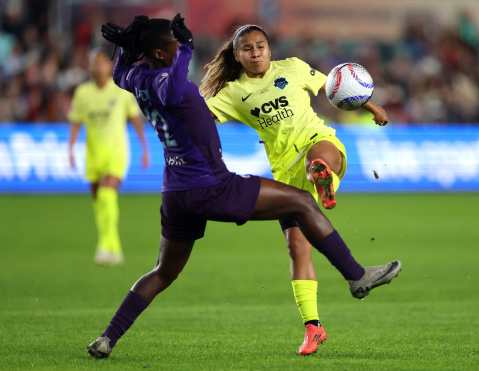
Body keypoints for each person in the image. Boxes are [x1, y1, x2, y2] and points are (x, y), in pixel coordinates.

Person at [87, 15, 401, 359]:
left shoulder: (136, 78)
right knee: (300, 203)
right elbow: (175, 87)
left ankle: (107, 338)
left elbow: (121, 72)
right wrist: (188, 47)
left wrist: (123, 47)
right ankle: (356, 276)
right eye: (174, 47)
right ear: (163, 55)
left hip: (175, 191)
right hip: (210, 185)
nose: (180, 50)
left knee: (164, 271)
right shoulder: (172, 84)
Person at [200, 24, 390, 355]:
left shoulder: (294, 68)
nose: (256, 52)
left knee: (320, 155)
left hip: (317, 141)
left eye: (260, 46)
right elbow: (199, 119)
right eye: (248, 49)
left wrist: (371, 106)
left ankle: (323, 176)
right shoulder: (231, 93)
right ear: (237, 55)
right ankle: (313, 328)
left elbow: (337, 86)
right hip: (284, 172)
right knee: (297, 249)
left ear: (269, 49)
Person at [68, 48, 150, 265]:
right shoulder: (82, 93)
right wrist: (70, 149)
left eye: (102, 62)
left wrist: (144, 149)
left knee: (106, 193)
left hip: (116, 153)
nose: (98, 66)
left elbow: (135, 120)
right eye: (94, 63)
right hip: (93, 154)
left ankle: (106, 246)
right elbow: (76, 122)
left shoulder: (121, 92)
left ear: (109, 65)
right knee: (99, 200)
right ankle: (112, 246)